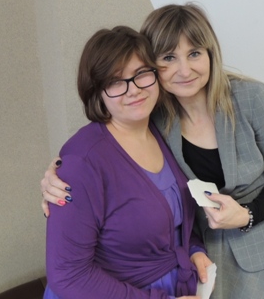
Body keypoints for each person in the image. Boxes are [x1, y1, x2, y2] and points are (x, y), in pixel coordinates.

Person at [42, 4, 264, 299]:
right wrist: (58, 174)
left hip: (258, 250)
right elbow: (98, 155)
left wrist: (246, 215)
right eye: (169, 57)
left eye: (194, 53)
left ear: (210, 54)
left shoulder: (250, 99)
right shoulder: (154, 116)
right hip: (201, 263)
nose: (185, 70)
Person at [42, 26, 211, 299]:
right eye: (115, 81)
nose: (133, 90)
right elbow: (68, 276)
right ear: (96, 91)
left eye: (141, 73)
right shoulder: (82, 162)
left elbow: (173, 218)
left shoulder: (163, 131)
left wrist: (193, 249)